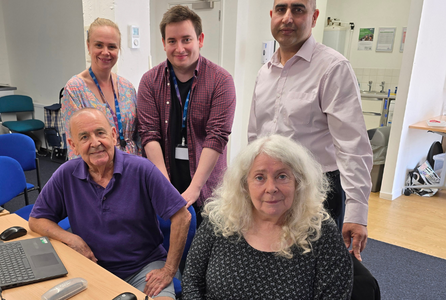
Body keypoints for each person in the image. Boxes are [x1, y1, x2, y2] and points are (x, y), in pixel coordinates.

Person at [247, 0, 372, 261]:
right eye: (281, 10)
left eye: (298, 10)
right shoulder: (264, 73)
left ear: (314, 18)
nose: (288, 18)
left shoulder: (333, 68)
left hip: (316, 192)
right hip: (270, 188)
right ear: (272, 15)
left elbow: (352, 145)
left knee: (312, 271)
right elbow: (254, 137)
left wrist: (357, 212)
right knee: (271, 262)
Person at [29, 108, 191, 299]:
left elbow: (183, 216)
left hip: (144, 269)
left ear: (113, 136)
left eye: (100, 133)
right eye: (84, 137)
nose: (95, 143)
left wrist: (169, 270)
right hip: (92, 268)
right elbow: (37, 219)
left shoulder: (142, 169)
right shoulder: (66, 174)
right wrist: (71, 238)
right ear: (73, 145)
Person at [182, 134, 353, 299]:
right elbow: (192, 282)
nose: (271, 188)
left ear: (298, 183)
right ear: (244, 184)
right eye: (259, 177)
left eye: (282, 176)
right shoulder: (219, 219)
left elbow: (334, 294)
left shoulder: (320, 231)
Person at [137, 5, 236, 225]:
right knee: (166, 249)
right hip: (164, 179)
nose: (179, 48)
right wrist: (165, 187)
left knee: (205, 252)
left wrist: (194, 189)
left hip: (207, 188)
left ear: (200, 39)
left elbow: (216, 137)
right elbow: (149, 134)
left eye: (186, 39)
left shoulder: (221, 81)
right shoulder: (149, 82)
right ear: (163, 43)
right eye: (172, 41)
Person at [62, 18, 141, 159]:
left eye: (111, 47)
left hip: (132, 167)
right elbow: (75, 147)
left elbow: (138, 135)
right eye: (99, 45)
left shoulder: (127, 87)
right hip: (97, 169)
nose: (105, 52)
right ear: (88, 46)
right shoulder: (74, 90)